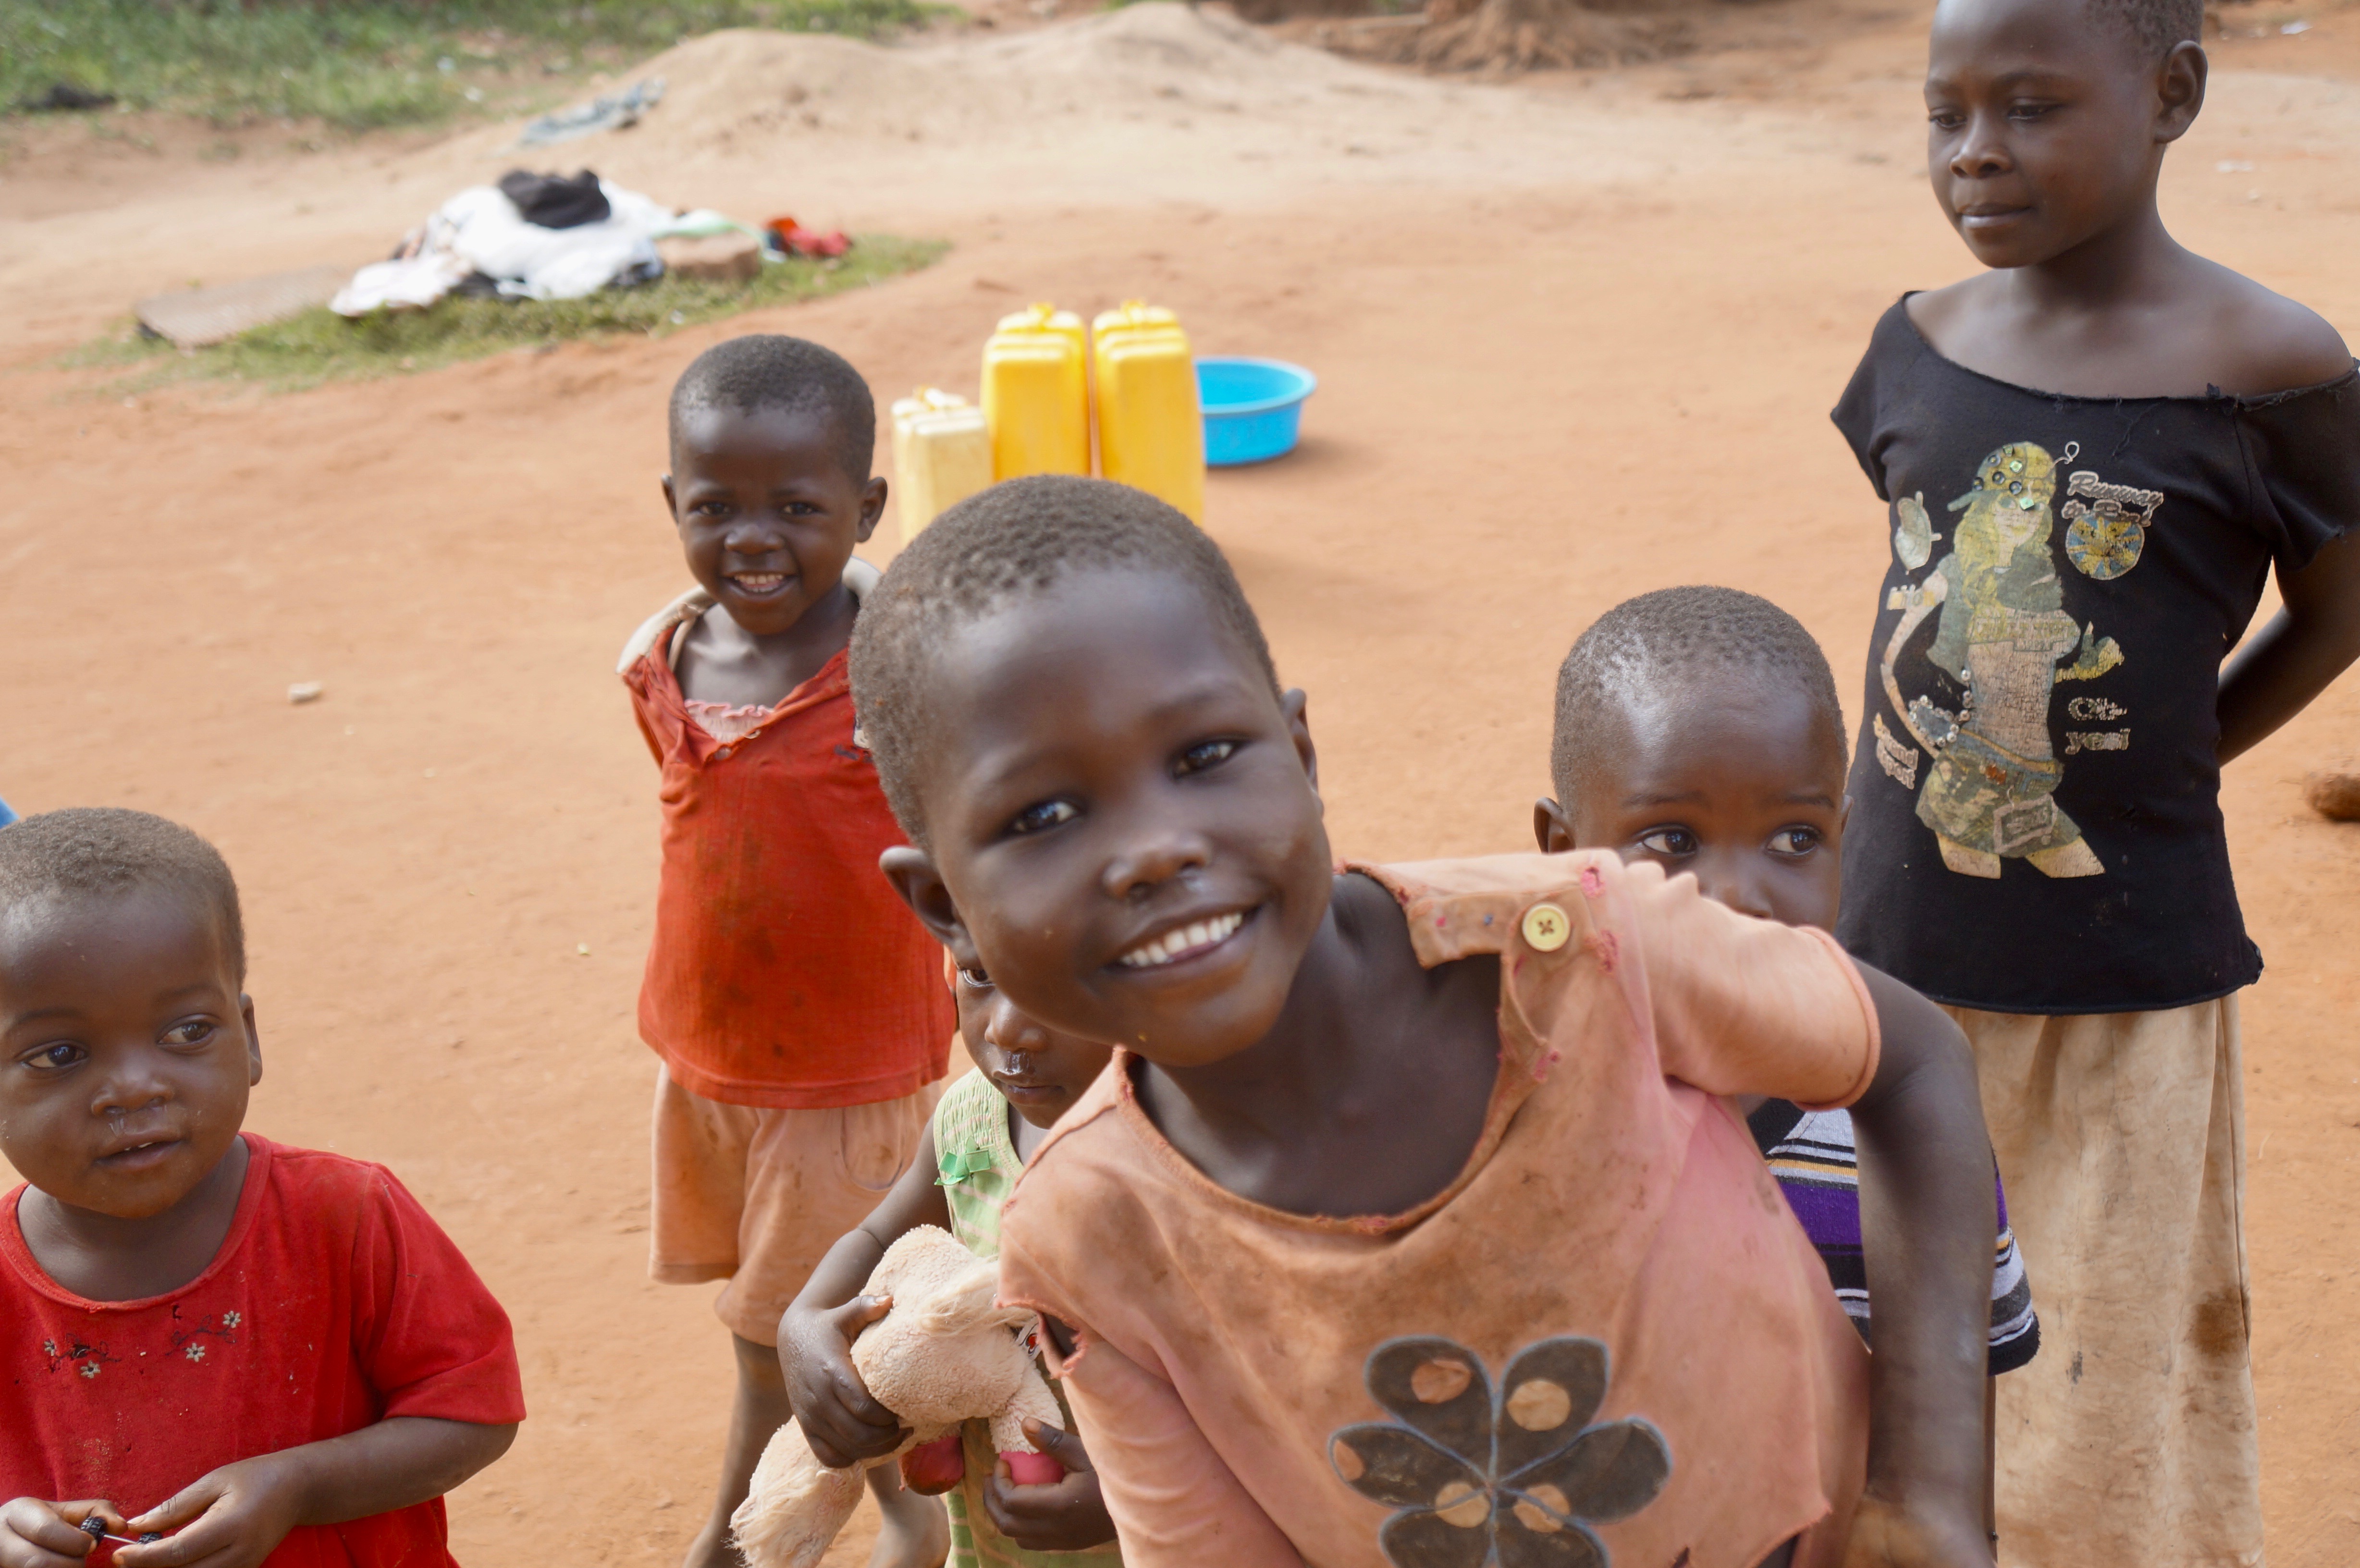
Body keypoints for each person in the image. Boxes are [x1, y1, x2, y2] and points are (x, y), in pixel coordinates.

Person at [846, 474, 1999, 1568]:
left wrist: (1928, 1497)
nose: (1155, 849)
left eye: (1202, 756)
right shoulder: (1090, 1232)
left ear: (1300, 754)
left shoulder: (1584, 952)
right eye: (1043, 815)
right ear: (945, 908)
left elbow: (1908, 1062)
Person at [1831, 0, 2360, 1559]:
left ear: (2173, 93)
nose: (1975, 152)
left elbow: (2342, 610)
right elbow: (1917, 584)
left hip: (2128, 982)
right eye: (1947, 112)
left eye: (2031, 106)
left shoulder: (2273, 369)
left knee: (2106, 1343)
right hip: (1893, 962)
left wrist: (2187, 752)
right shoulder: (1918, 340)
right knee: (1883, 1319)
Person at [1531, 585, 2041, 1545]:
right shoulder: (1510, 1127)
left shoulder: (1913, 1147)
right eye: (1670, 840)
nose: (1738, 895)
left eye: (1795, 839)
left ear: (1846, 837)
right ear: (1563, 852)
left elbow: (1948, 1497)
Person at [620, 336, 957, 1568]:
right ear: (674, 503)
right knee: (784, 1324)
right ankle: (916, 1521)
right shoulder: (659, 662)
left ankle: (733, 1545)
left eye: (797, 509)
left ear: (865, 509)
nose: (752, 538)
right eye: (716, 507)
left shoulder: (899, 674)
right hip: (708, 1058)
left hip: (844, 1077)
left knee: (781, 1339)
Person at [0, 808, 522, 1568]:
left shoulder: (345, 1215)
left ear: (247, 1036)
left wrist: (301, 1486)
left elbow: (474, 1412)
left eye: (187, 1032)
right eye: (61, 1054)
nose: (136, 1087)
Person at [777, 959, 1120, 1568]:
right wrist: (803, 1324)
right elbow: (878, 1236)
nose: (1006, 1028)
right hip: (996, 1547)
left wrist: (1128, 1499)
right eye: (980, 972)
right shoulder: (971, 1119)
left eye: (1057, 978)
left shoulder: (1190, 1159)